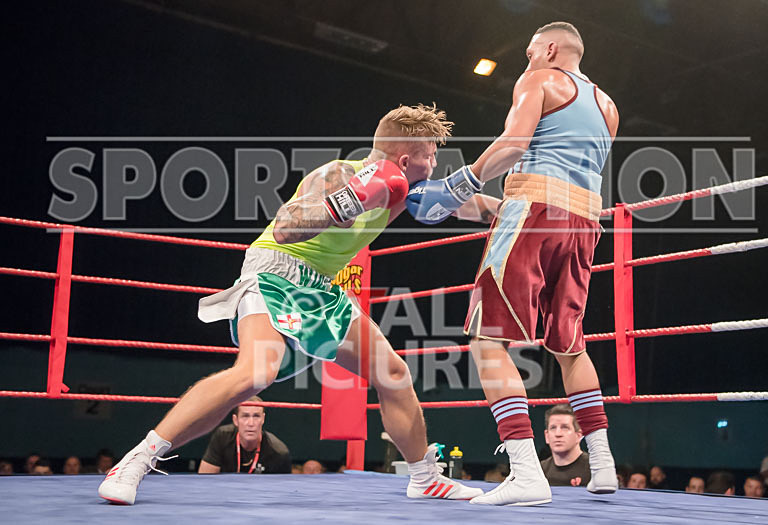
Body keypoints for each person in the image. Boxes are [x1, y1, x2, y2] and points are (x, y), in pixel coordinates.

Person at [98, 104, 487, 505]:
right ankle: (135, 461)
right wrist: (349, 201)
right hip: (276, 272)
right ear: (405, 160)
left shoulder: (408, 194)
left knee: (392, 373)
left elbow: (473, 206)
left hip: (321, 288)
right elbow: (285, 227)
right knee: (254, 374)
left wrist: (520, 210)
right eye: (430, 155)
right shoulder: (339, 174)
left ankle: (425, 478)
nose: (434, 163)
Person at [406, 21, 618, 506]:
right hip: (584, 222)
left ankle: (525, 473)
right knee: (569, 344)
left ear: (549, 48)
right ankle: (603, 463)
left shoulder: (540, 78)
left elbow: (514, 146)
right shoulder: (608, 107)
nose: (526, 61)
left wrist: (460, 183)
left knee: (487, 340)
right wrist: (470, 203)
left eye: (529, 52)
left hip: (534, 212)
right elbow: (557, 176)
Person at [198, 396, 291, 474]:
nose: (251, 423)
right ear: (235, 420)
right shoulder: (222, 437)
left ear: (263, 419)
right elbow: (204, 480)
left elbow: (282, 489)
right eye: (245, 416)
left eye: (256, 416)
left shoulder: (278, 452)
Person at [539, 404, 590, 487]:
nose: (558, 434)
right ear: (547, 436)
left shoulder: (594, 468)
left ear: (578, 435)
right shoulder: (539, 471)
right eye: (553, 428)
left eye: (565, 427)